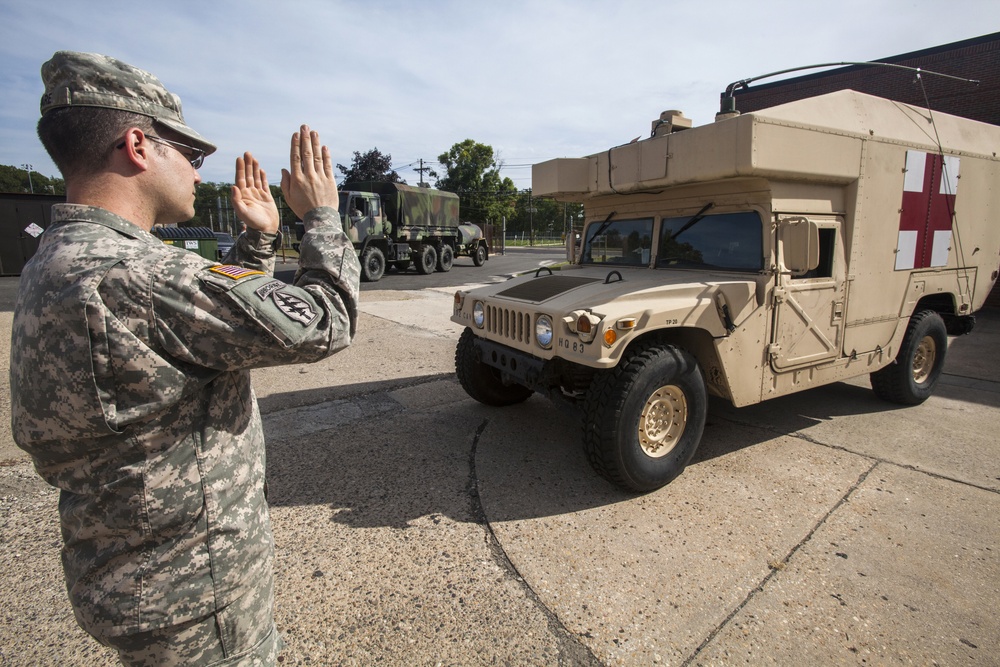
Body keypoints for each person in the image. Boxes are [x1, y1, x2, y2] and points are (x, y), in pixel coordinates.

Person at [10, 51, 361, 665]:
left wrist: (255, 241)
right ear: (138, 145)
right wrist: (323, 218)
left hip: (133, 579)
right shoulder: (143, 273)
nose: (200, 175)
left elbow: (200, 332)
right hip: (199, 592)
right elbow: (325, 322)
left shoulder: (57, 260)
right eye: (191, 156)